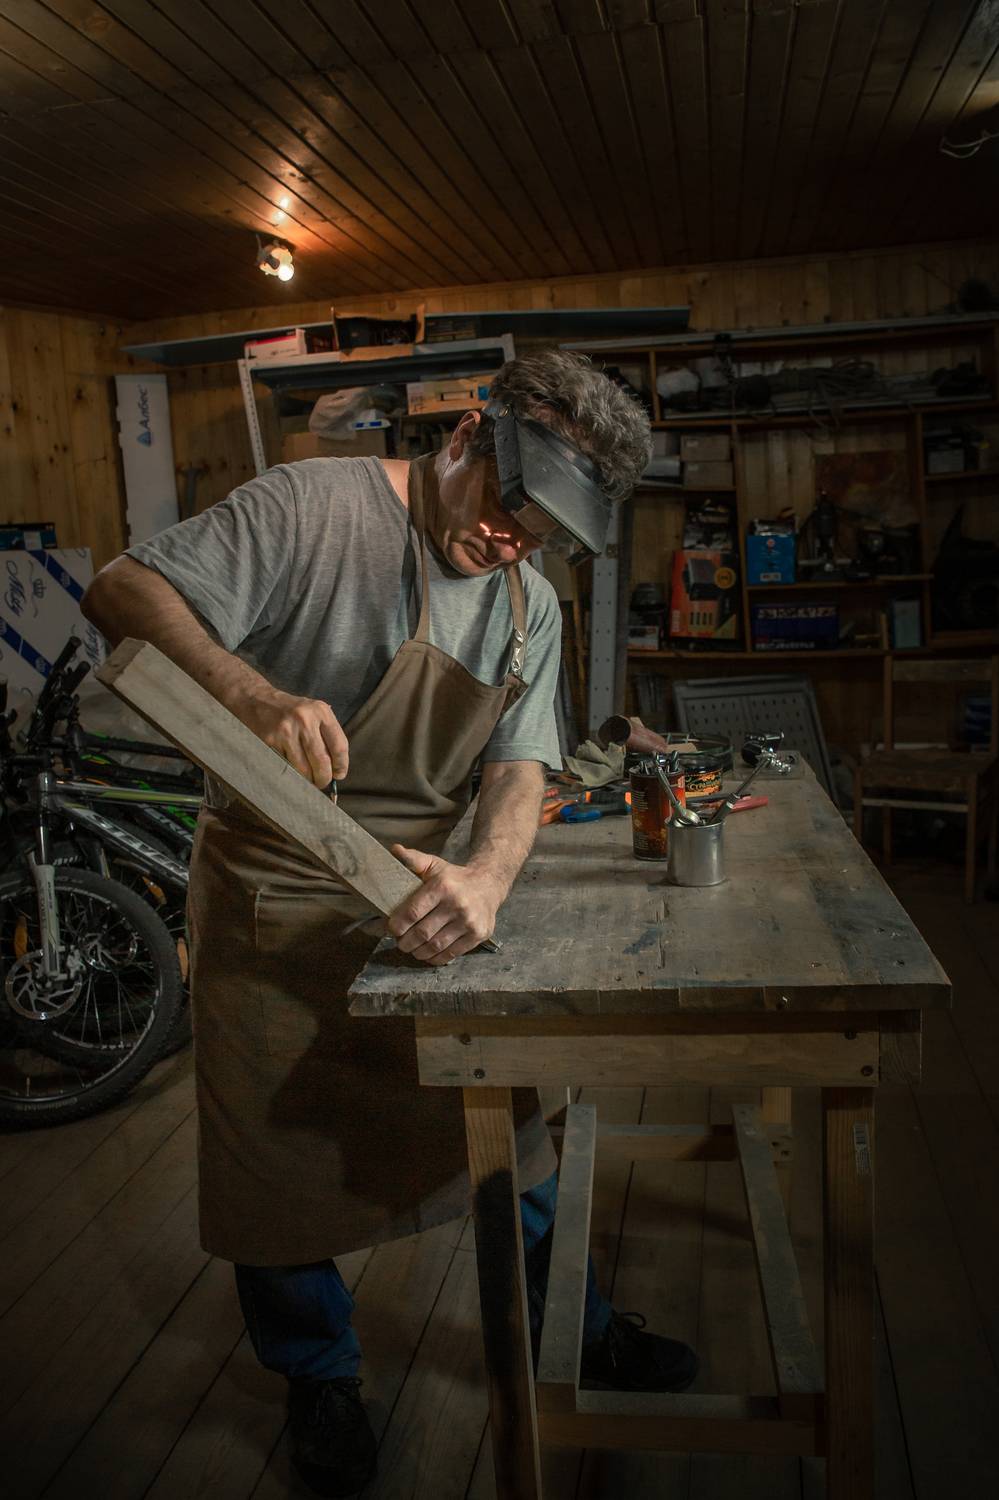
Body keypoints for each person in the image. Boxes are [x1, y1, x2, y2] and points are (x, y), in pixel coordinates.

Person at [82, 349, 697, 1499]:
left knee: (511, 1129)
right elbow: (121, 589)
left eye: (544, 534)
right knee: (273, 1171)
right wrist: (248, 693)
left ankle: (575, 1326)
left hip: (421, 890)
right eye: (509, 507)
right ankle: (319, 1378)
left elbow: (519, 772)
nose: (512, 542)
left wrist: (489, 881)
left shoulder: (526, 604)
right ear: (465, 438)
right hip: (271, 899)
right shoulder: (314, 509)